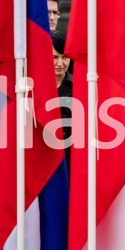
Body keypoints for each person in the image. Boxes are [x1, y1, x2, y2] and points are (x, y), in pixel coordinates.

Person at [50, 32, 73, 170]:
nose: (60, 63)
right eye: (54, 57)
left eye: (65, 57)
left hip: (71, 159)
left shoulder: (80, 88)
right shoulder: (33, 88)